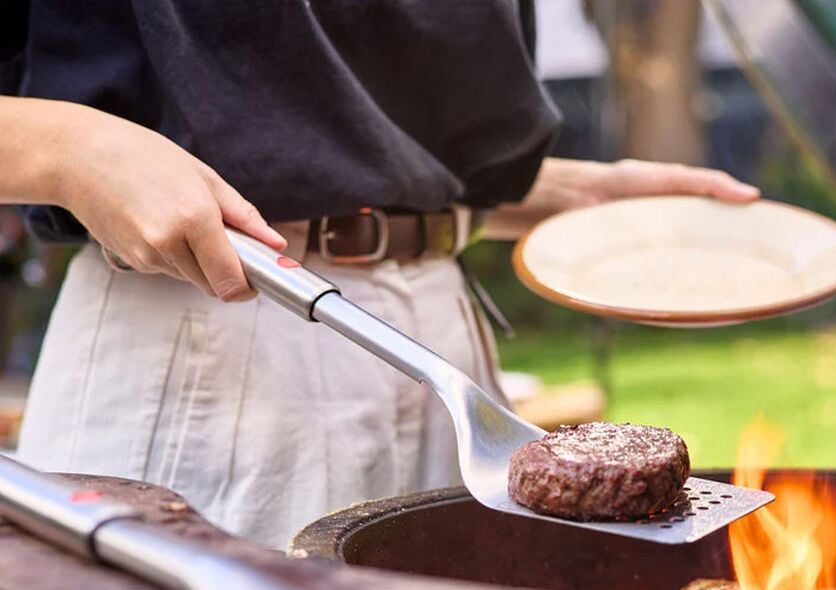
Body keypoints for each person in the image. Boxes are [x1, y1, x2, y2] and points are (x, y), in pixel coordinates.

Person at [0, 2, 758, 549]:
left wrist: (532, 193)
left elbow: (336, 126)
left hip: (443, 341)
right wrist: (71, 149)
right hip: (212, 340)